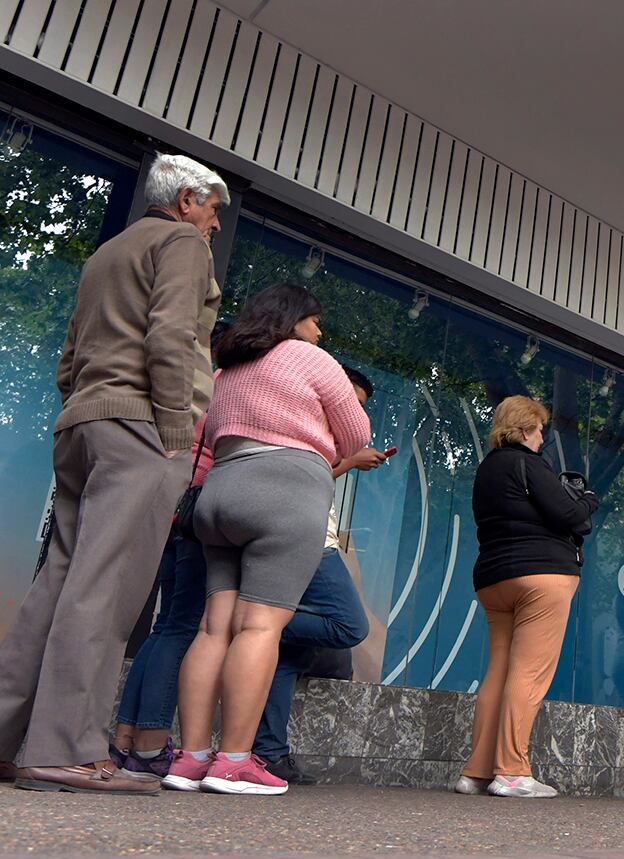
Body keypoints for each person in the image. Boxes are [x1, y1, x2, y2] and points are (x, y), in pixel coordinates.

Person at [0, 154, 225, 794]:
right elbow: (173, 334)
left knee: (59, 584)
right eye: (211, 209)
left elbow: (71, 357)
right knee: (107, 589)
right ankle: (67, 750)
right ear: (186, 200)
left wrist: (88, 402)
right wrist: (178, 430)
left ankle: (12, 741)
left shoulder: (106, 255)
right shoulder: (182, 242)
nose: (213, 224)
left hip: (84, 424)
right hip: (142, 430)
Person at [166, 283, 371, 796]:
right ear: (292, 319)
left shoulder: (229, 366)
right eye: (314, 319)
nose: (319, 331)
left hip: (220, 495)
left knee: (214, 629)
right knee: (260, 628)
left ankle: (190, 759)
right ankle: (235, 761)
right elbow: (356, 435)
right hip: (284, 494)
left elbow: (211, 437)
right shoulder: (309, 357)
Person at [455, 395, 599, 799]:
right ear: (522, 430)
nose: (542, 439)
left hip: (493, 577)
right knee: (529, 673)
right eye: (538, 431)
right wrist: (587, 499)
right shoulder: (529, 463)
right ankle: (513, 772)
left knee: (498, 671)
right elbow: (570, 517)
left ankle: (477, 772)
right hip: (542, 576)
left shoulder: (486, 470)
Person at [251, 365, 385, 784]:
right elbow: (295, 483)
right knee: (349, 624)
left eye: (361, 408)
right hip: (304, 537)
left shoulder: (322, 433)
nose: (353, 413)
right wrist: (349, 461)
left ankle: (269, 752)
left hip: (306, 533)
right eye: (352, 402)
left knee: (289, 658)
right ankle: (253, 624)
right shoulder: (301, 422)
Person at [110, 320, 231, 777]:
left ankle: (126, 736)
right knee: (182, 628)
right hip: (199, 518)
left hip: (171, 512)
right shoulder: (229, 388)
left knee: (163, 628)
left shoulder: (197, 387)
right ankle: (150, 744)